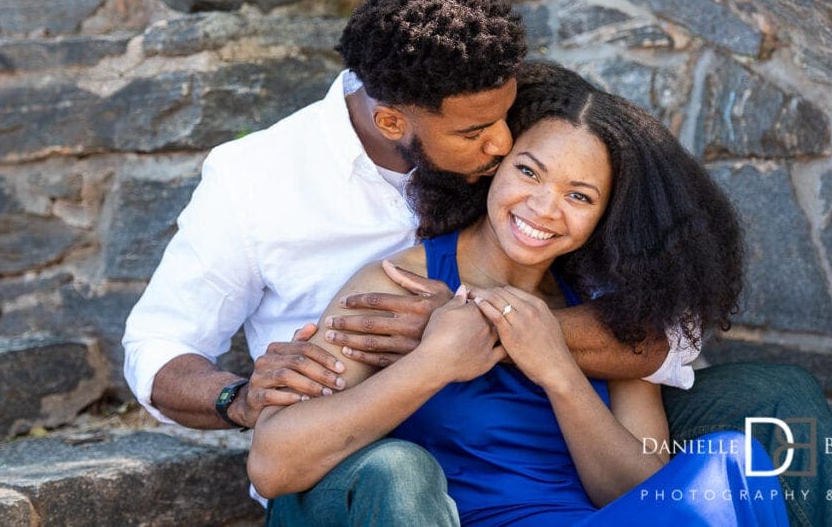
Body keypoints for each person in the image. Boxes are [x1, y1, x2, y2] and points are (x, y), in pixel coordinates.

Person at [122, 0, 832, 526]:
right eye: (488, 143)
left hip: (545, 430)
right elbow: (163, 346)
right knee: (400, 471)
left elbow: (656, 336)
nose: (501, 143)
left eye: (576, 194)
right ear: (396, 122)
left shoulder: (526, 137)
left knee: (772, 402)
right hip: (364, 461)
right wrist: (237, 397)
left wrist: (506, 332)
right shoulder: (260, 181)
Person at [248, 64, 788, 525]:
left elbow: (641, 494)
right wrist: (436, 361)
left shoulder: (607, 314)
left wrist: (557, 369)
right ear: (493, 167)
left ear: (606, 216)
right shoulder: (396, 290)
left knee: (732, 460)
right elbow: (272, 465)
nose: (544, 208)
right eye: (529, 171)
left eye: (579, 195)